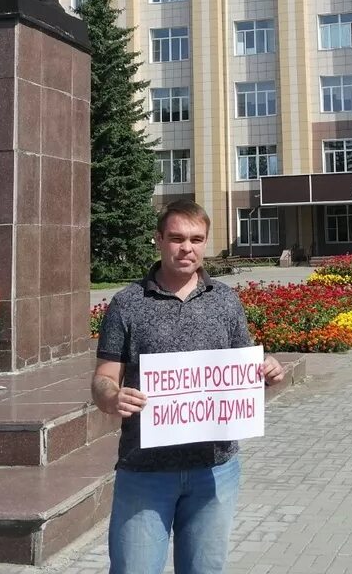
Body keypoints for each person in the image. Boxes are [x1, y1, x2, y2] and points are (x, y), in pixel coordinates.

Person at [92, 200, 285, 574]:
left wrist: (268, 372)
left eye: (196, 239)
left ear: (206, 242)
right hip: (145, 470)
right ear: (159, 239)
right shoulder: (127, 303)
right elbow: (103, 379)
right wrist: (112, 397)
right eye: (177, 238)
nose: (187, 248)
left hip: (214, 470)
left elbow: (243, 375)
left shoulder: (226, 300)